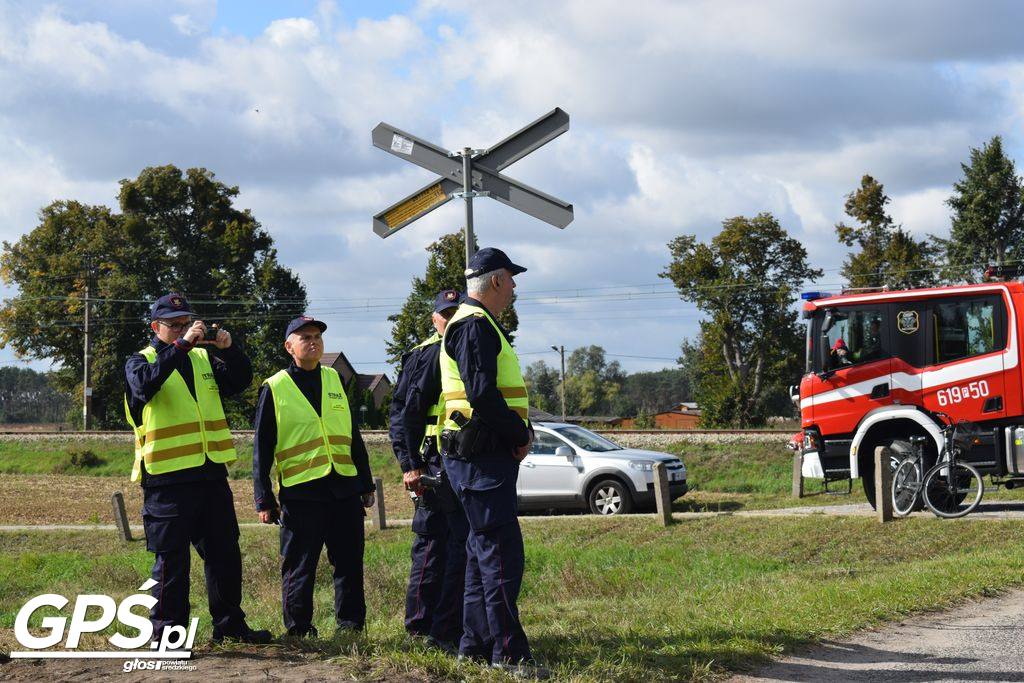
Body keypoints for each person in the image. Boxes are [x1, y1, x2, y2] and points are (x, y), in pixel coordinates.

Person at [124, 293, 271, 645]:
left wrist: (230, 348)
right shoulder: (139, 361)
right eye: (174, 324)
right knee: (172, 563)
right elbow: (146, 385)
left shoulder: (203, 358)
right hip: (167, 479)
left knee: (225, 555)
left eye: (186, 323)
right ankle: (167, 637)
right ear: (155, 327)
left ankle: (230, 628)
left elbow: (238, 381)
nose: (182, 329)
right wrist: (180, 347)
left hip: (209, 475)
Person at [439, 248, 549, 679]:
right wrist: (519, 434)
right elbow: (482, 393)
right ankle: (510, 656)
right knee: (501, 557)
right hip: (482, 459)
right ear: (497, 281)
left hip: (479, 458)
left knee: (481, 554)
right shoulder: (474, 325)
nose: (516, 287)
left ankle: (475, 649)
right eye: (512, 278)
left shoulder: (474, 324)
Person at [253, 315, 376, 638]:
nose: (313, 341)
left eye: (318, 336)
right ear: (288, 346)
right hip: (302, 492)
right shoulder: (275, 386)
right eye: (305, 336)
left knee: (349, 563)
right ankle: (299, 628)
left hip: (344, 489)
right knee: (299, 565)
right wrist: (263, 497)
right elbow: (262, 448)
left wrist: (365, 483)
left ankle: (350, 626)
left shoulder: (335, 379)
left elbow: (352, 435)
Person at [389, 289, 470, 652]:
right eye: (444, 314)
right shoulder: (425, 355)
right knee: (432, 547)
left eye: (457, 312)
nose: (450, 319)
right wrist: (411, 465)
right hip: (434, 463)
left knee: (461, 547)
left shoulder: (472, 344)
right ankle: (421, 629)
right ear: (434, 319)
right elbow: (403, 415)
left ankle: (450, 628)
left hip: (466, 462)